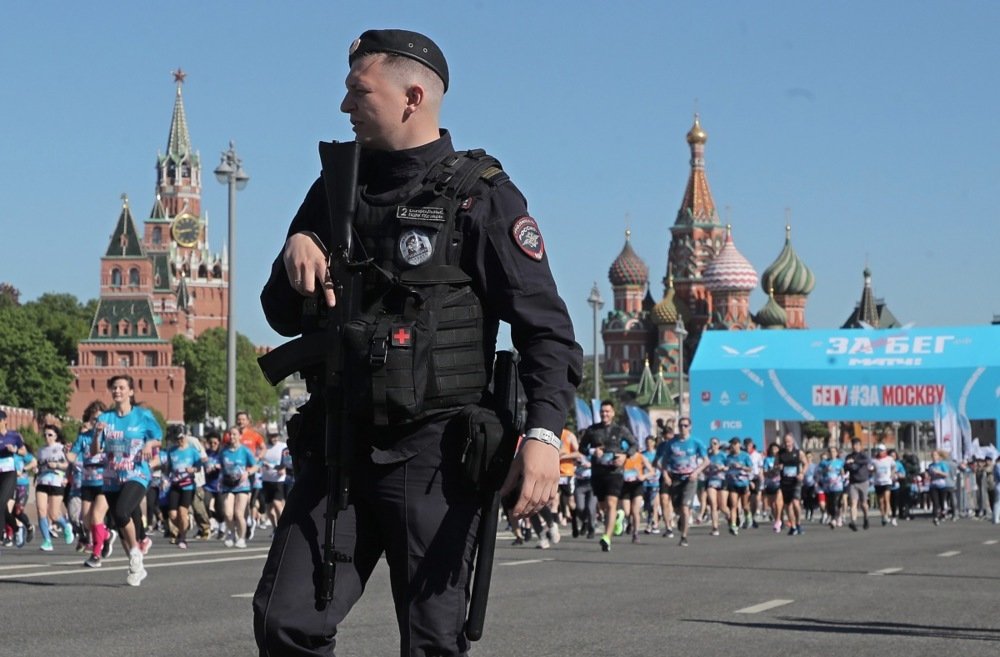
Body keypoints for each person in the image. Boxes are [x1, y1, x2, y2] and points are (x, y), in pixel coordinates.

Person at [252, 28, 582, 657]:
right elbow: (281, 315)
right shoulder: (334, 189)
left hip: (437, 456)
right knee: (284, 621)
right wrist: (295, 251)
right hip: (341, 447)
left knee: (432, 644)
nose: (345, 106)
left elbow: (547, 329)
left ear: (412, 96)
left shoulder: (480, 196)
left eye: (358, 91)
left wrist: (542, 437)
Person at [97, 374, 162, 586]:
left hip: (137, 473)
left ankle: (135, 550)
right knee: (120, 522)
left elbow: (157, 438)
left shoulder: (143, 416)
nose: (117, 391)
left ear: (131, 392)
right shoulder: (105, 419)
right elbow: (95, 450)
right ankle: (136, 565)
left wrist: (147, 445)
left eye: (122, 388)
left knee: (121, 511)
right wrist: (97, 436)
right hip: (112, 475)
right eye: (114, 388)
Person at [580, 400, 637, 552]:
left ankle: (607, 537)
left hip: (615, 472)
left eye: (607, 411)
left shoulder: (620, 429)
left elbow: (634, 444)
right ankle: (618, 516)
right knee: (603, 507)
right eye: (602, 411)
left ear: (613, 413)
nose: (605, 414)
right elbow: (582, 447)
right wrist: (593, 452)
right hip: (598, 472)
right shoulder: (592, 430)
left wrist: (625, 456)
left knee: (611, 503)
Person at [655, 417, 707, 546]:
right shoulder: (671, 443)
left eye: (685, 426)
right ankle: (681, 520)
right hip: (675, 478)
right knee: (677, 508)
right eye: (680, 426)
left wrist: (696, 472)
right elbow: (663, 461)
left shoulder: (696, 442)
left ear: (690, 427)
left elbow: (706, 461)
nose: (683, 428)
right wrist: (665, 474)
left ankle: (684, 537)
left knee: (685, 507)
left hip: (690, 478)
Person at [164, 429, 205, 549]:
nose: (180, 441)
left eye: (181, 438)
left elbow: (199, 465)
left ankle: (182, 537)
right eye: (177, 439)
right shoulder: (171, 451)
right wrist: (165, 478)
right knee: (172, 515)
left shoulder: (192, 451)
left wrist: (193, 469)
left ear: (185, 437)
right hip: (175, 484)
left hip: (188, 485)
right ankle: (185, 525)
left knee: (182, 512)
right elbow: (169, 468)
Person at [35, 425, 74, 551]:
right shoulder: (41, 450)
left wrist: (57, 465)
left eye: (50, 435)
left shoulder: (62, 448)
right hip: (42, 481)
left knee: (53, 514)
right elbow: (39, 465)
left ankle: (66, 526)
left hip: (56, 482)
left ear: (56, 436)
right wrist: (37, 470)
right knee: (41, 510)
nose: (47, 437)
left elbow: (69, 465)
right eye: (45, 435)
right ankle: (47, 541)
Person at [219, 431, 257, 548]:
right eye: (230, 434)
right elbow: (221, 466)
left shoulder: (245, 451)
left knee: (239, 513)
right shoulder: (224, 451)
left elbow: (255, 466)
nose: (232, 437)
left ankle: (241, 537)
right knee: (228, 513)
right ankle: (231, 533)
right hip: (228, 485)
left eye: (235, 434)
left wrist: (248, 472)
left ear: (239, 436)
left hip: (242, 485)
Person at [0, 410, 27, 541]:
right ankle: (17, 528)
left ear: (5, 421)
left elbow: (24, 451)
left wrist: (15, 450)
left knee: (0, 504)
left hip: (9, 474)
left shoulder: (14, 436)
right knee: (3, 508)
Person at [776, 432, 809, 536]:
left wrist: (802, 473)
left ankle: (798, 523)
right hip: (785, 482)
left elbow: (806, 463)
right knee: (788, 506)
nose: (787, 444)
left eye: (789, 441)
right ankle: (793, 526)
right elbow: (775, 466)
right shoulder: (780, 453)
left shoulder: (799, 453)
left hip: (796, 481)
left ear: (793, 442)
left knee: (795, 503)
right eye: (785, 442)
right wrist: (778, 467)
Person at [259, 429, 288, 533]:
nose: (274, 438)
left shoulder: (282, 446)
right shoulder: (264, 447)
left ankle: (282, 527)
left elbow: (288, 460)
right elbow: (259, 460)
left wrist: (284, 468)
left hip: (278, 480)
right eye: (271, 436)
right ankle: (275, 528)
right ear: (268, 436)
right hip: (266, 480)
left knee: (277, 503)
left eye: (275, 435)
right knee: (270, 509)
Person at [724, 437, 753, 534]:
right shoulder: (728, 457)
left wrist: (741, 467)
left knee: (745, 506)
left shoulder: (745, 456)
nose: (733, 446)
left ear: (739, 445)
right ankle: (733, 525)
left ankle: (748, 515)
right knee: (733, 505)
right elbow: (726, 468)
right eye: (732, 444)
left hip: (743, 483)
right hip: (732, 483)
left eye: (735, 444)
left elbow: (750, 469)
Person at [843, 437, 872, 531]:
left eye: (857, 445)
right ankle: (853, 522)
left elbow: (866, 461)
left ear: (860, 446)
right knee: (853, 503)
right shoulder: (849, 456)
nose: (855, 447)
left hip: (863, 481)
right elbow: (846, 467)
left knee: (863, 503)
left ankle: (866, 518)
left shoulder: (863, 455)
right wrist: (847, 464)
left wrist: (854, 461)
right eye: (853, 445)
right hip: (853, 482)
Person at [871, 444, 897, 526]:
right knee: (880, 501)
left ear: (885, 451)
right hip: (878, 482)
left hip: (887, 481)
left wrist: (892, 474)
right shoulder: (874, 460)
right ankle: (882, 515)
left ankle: (886, 515)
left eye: (882, 450)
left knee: (886, 499)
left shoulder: (889, 459)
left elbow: (893, 467)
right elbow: (871, 469)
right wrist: (872, 471)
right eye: (879, 450)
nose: (880, 452)